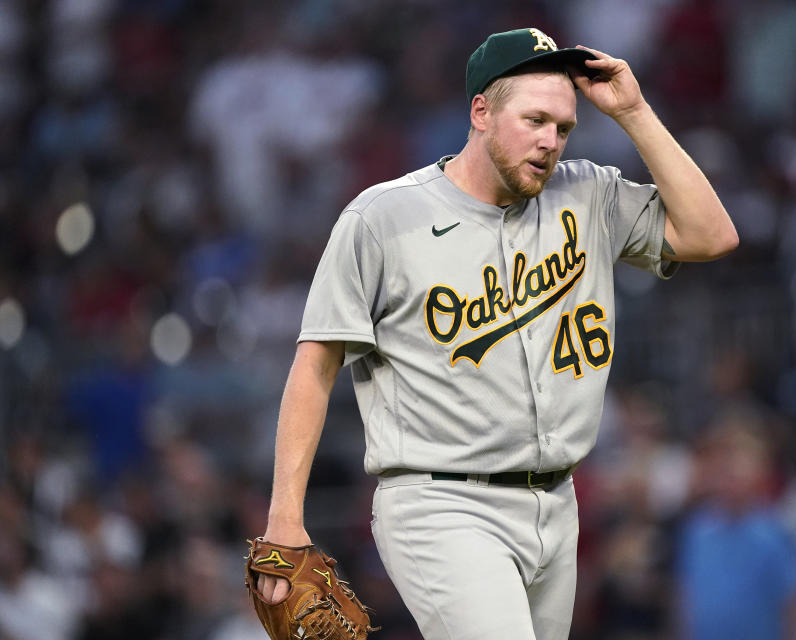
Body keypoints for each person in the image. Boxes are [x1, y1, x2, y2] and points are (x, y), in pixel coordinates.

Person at [252, 27, 738, 640]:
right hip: (441, 502)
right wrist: (284, 518)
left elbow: (711, 235)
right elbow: (315, 364)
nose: (550, 141)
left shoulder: (587, 193)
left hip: (557, 505)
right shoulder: (383, 217)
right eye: (534, 120)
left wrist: (635, 114)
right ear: (481, 110)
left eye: (563, 127)